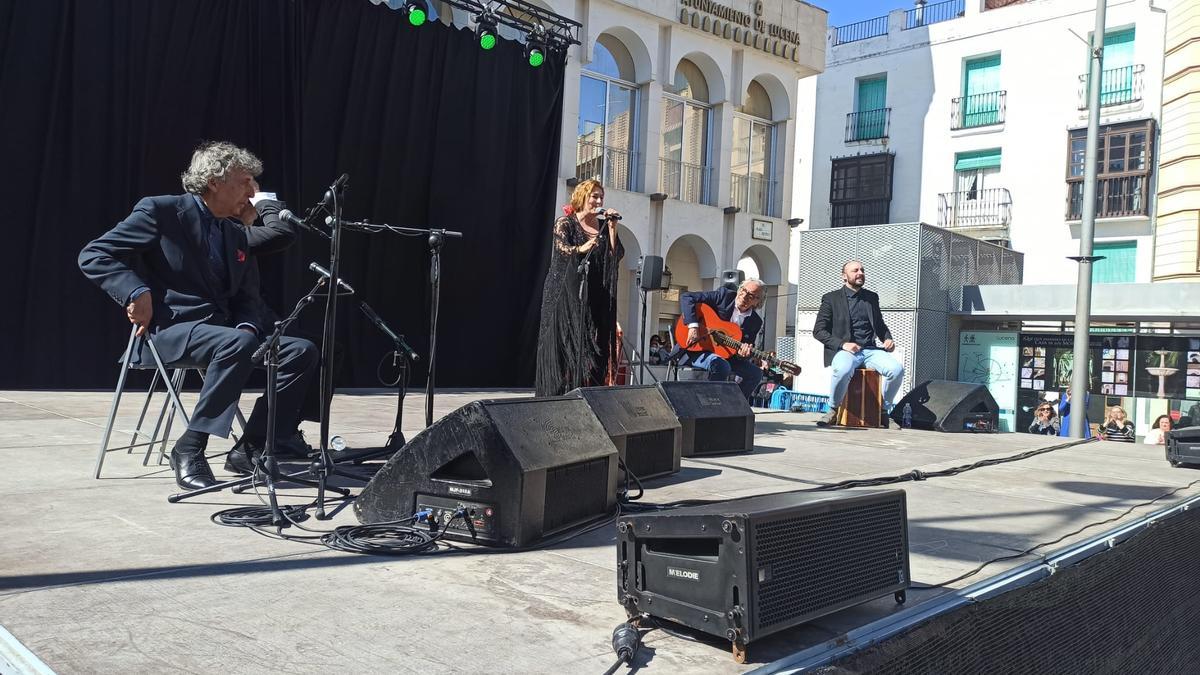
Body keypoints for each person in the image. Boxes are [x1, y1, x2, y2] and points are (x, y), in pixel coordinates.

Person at [78, 141, 319, 490]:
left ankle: (250, 448)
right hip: (170, 331)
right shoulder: (160, 211)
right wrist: (135, 291)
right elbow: (95, 253)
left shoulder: (233, 231)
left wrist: (249, 324)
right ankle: (190, 448)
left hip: (227, 335)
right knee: (239, 341)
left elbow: (247, 297)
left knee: (300, 351)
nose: (252, 193)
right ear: (215, 182)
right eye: (245, 182)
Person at [535, 179, 623, 397]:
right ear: (582, 197)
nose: (598, 200)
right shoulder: (565, 223)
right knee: (563, 349)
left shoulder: (602, 226)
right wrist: (580, 248)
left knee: (594, 350)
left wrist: (612, 228)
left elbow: (614, 256)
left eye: (601, 197)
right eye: (594, 196)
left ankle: (587, 396)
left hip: (593, 298)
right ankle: (554, 398)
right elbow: (561, 248)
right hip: (563, 295)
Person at [812, 260, 905, 427]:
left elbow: (880, 324)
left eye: (862, 270)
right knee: (842, 369)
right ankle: (833, 409)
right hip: (846, 351)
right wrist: (843, 344)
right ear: (844, 276)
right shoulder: (830, 299)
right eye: (855, 270)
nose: (860, 273)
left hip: (871, 350)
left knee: (896, 370)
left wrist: (887, 338)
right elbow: (818, 331)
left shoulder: (871, 298)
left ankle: (884, 411)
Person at [675, 279, 767, 401]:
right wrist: (693, 326)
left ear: (758, 302)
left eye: (750, 295)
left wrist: (742, 354)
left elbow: (745, 351)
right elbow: (687, 297)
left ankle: (735, 406)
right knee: (721, 365)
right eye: (743, 290)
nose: (744, 296)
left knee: (755, 374)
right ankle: (710, 402)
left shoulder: (755, 322)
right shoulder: (723, 297)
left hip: (729, 357)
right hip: (697, 349)